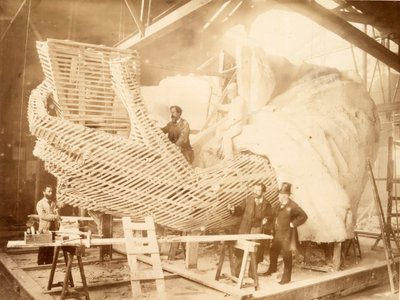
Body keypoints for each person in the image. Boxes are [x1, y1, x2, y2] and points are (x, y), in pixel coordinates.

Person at [262, 182, 308, 284]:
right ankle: (272, 269)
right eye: (280, 194)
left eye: (282, 195)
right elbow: (273, 215)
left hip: (288, 235)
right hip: (278, 233)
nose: (280, 196)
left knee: (286, 255)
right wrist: (267, 218)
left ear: (287, 195)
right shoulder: (278, 205)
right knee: (273, 250)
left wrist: (293, 224)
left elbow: (304, 216)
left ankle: (286, 278)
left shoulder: (293, 206)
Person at [227, 183, 274, 278]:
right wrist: (233, 209)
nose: (255, 192)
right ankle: (237, 274)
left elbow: (270, 215)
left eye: (258, 190)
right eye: (254, 189)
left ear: (263, 192)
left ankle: (252, 274)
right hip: (245, 228)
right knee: (240, 249)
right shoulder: (248, 200)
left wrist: (266, 219)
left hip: (257, 229)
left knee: (255, 251)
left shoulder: (267, 204)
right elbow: (239, 210)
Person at [216, 82, 245, 159]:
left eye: (231, 91)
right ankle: (220, 149)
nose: (229, 93)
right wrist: (220, 106)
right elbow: (229, 107)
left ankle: (229, 157)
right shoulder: (234, 100)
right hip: (233, 124)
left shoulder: (240, 101)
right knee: (219, 129)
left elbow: (239, 116)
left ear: (236, 91)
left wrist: (229, 125)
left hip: (238, 125)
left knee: (227, 136)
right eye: (228, 91)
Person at [36, 185, 59, 265]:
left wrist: (56, 214)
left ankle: (49, 263)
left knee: (51, 246)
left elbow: (56, 214)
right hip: (44, 227)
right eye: (49, 191)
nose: (51, 193)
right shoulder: (40, 203)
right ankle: (40, 263)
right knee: (43, 246)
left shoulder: (53, 203)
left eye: (52, 191)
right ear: (44, 192)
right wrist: (54, 217)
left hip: (53, 227)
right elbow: (42, 216)